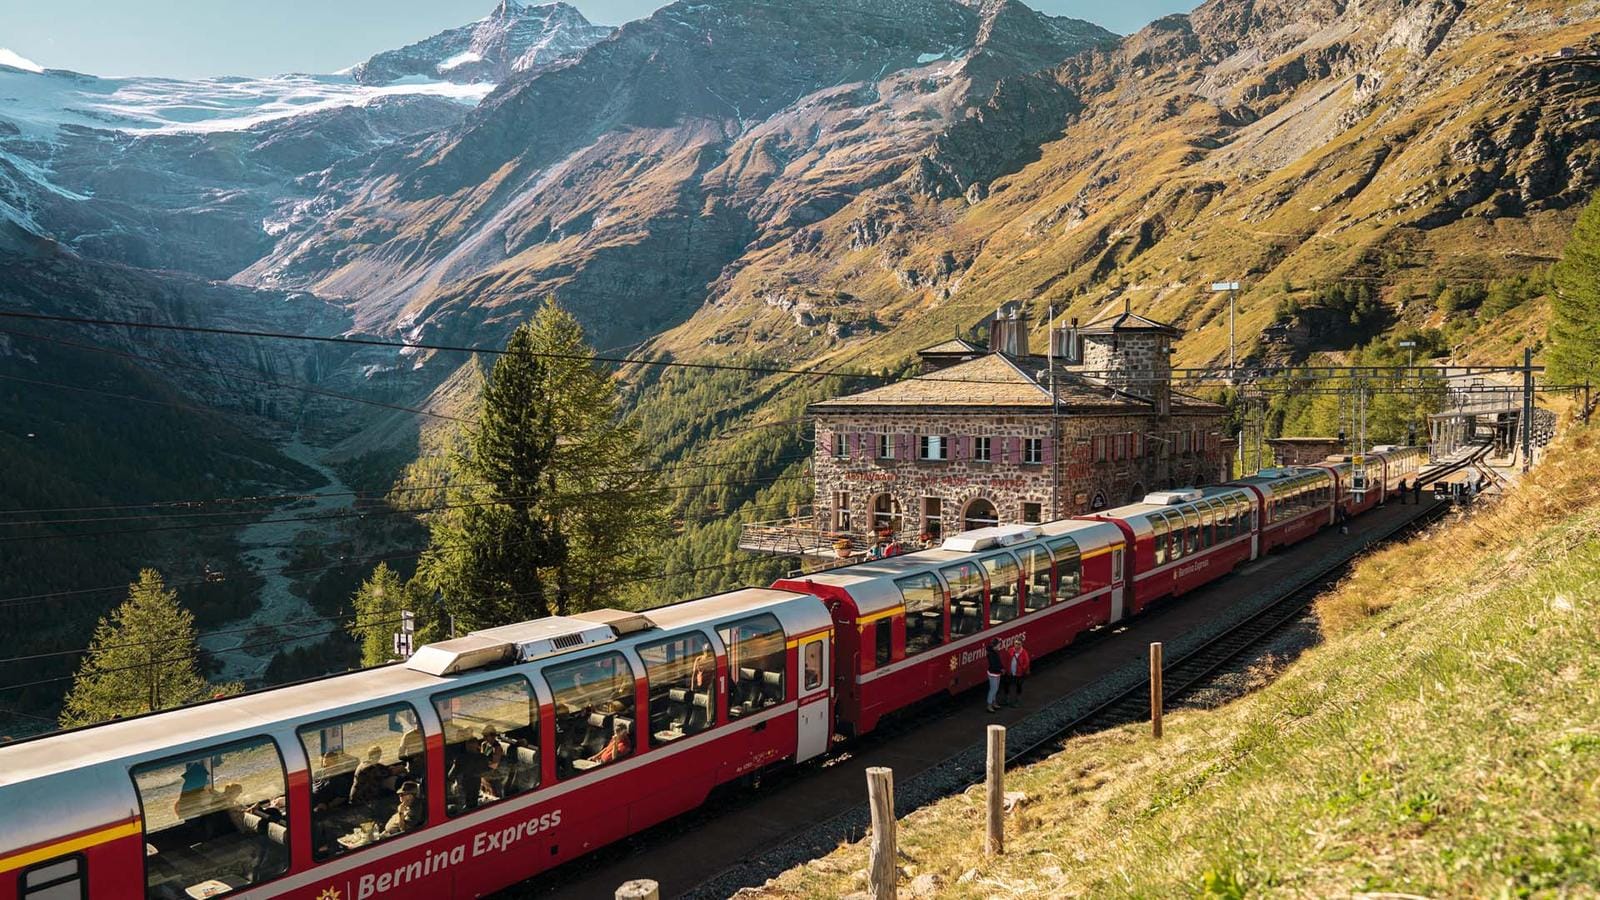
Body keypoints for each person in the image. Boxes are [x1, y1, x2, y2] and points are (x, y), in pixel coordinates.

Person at [1002, 637, 1032, 707]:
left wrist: (1022, 670)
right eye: (1015, 644)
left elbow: (1026, 663)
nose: (1017, 645)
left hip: (1019, 674)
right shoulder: (1010, 650)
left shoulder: (1024, 653)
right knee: (1006, 685)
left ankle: (1017, 701)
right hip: (1010, 672)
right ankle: (1007, 699)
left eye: (1018, 644)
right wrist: (1005, 669)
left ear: (1021, 644)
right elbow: (1006, 660)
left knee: (1018, 686)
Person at [985, 639, 1003, 713]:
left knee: (995, 688)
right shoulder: (992, 654)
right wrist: (1000, 669)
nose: (1000, 646)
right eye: (999, 645)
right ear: (995, 646)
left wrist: (1001, 668)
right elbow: (994, 665)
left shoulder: (993, 652)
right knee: (993, 689)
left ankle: (993, 702)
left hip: (996, 673)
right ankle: (989, 705)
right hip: (993, 673)